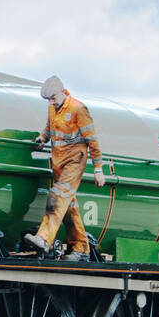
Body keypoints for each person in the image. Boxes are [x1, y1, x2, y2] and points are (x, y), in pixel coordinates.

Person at [23, 75, 105, 261]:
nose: (51, 102)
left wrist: (98, 169)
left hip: (75, 160)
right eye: (48, 100)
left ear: (62, 92)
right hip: (58, 161)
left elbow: (92, 141)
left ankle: (44, 239)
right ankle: (81, 248)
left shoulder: (78, 109)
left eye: (53, 98)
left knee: (56, 197)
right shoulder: (53, 108)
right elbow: (49, 128)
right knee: (69, 206)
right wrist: (42, 139)